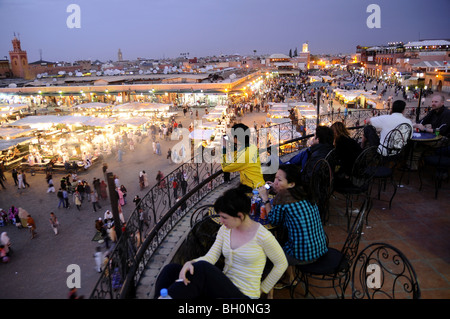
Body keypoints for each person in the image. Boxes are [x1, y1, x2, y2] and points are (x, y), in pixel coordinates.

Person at [154, 188, 288, 299]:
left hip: (243, 296)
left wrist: (263, 289)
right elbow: (211, 257)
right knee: (170, 270)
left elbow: (282, 263)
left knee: (202, 268)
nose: (221, 221)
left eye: (224, 217)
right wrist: (192, 262)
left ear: (240, 216)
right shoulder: (225, 230)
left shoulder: (263, 236)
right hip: (222, 286)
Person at [258, 164, 328, 287]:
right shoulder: (303, 192)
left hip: (302, 255)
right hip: (320, 247)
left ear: (291, 184)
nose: (275, 182)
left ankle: (268, 287)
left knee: (265, 257)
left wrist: (265, 198)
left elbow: (273, 220)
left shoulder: (283, 197)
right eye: (275, 178)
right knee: (284, 240)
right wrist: (277, 187)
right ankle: (290, 277)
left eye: (279, 180)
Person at [221, 123, 265, 192]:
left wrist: (224, 148)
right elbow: (236, 157)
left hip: (253, 188)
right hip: (257, 184)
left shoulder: (244, 155)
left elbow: (226, 167)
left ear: (236, 138)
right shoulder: (251, 147)